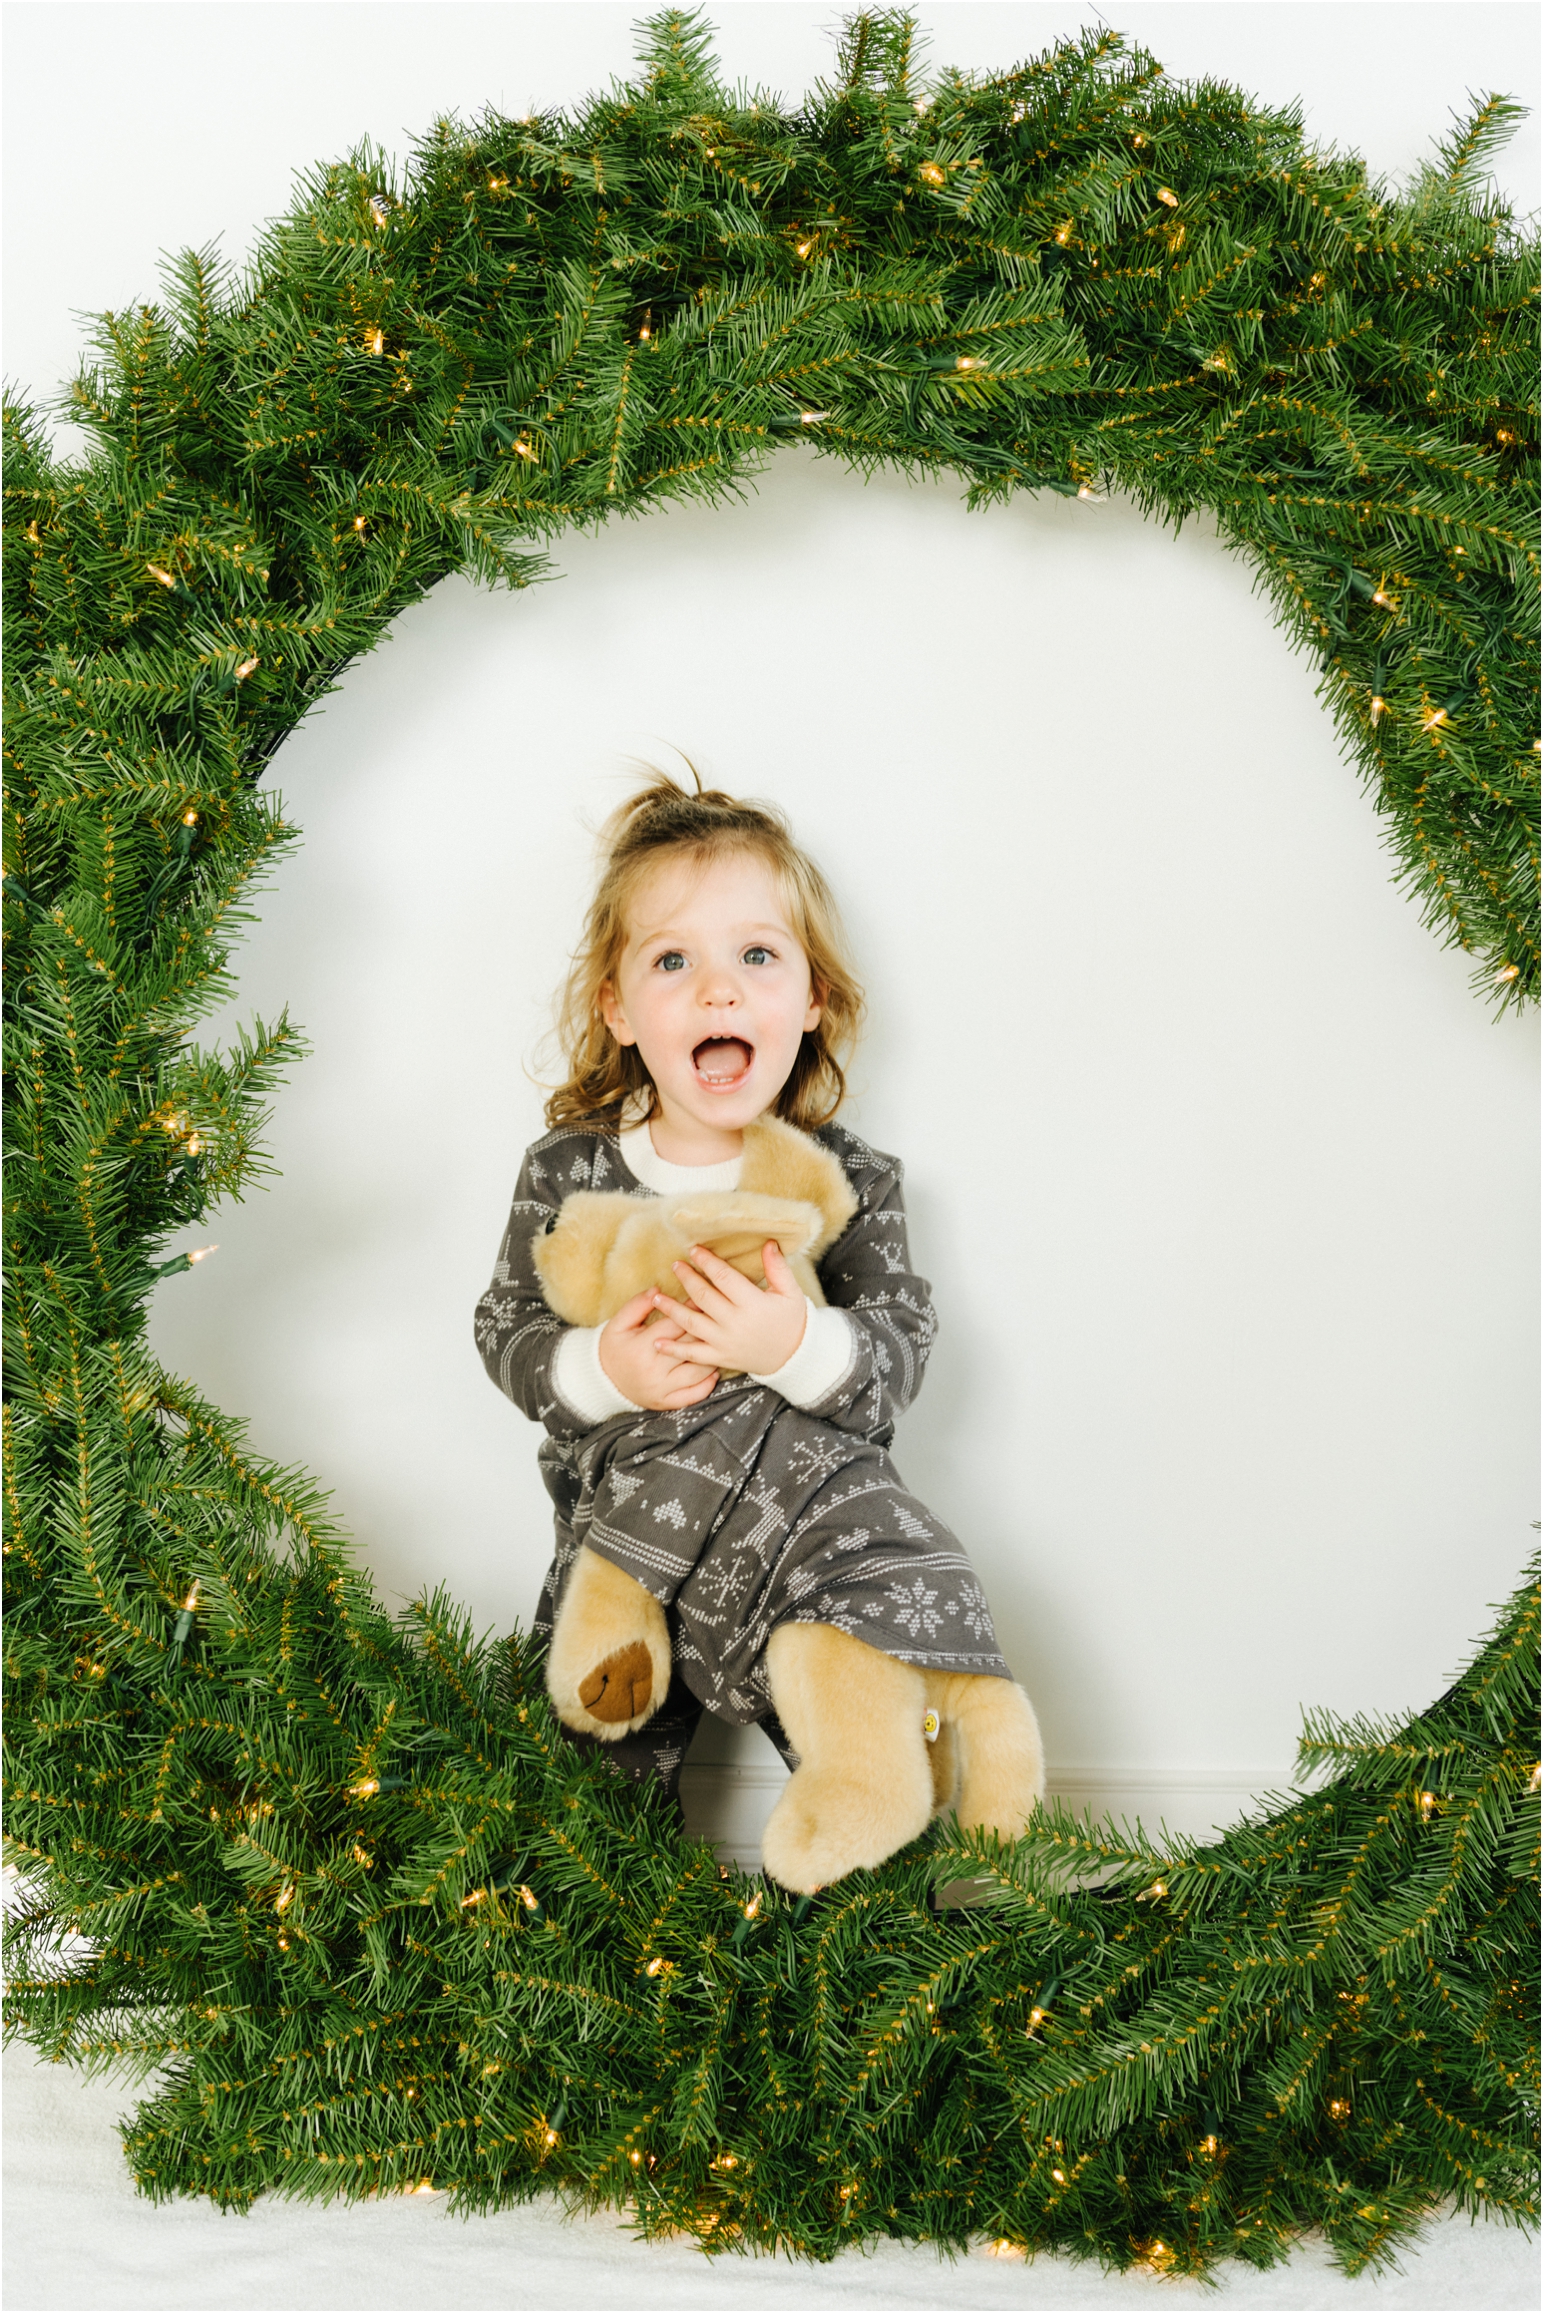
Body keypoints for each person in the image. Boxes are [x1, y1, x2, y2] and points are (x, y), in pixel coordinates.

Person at [474, 772, 1042, 1889]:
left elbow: (893, 1356)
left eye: (757, 958)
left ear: (813, 999)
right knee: (580, 1776)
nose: (717, 991)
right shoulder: (570, 1170)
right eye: (673, 961)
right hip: (626, 1542)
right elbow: (505, 1326)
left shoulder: (847, 1182)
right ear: (618, 1008)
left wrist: (791, 1342)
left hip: (801, 1550)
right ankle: (602, 1962)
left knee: (861, 1743)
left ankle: (864, 1945)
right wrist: (604, 1366)